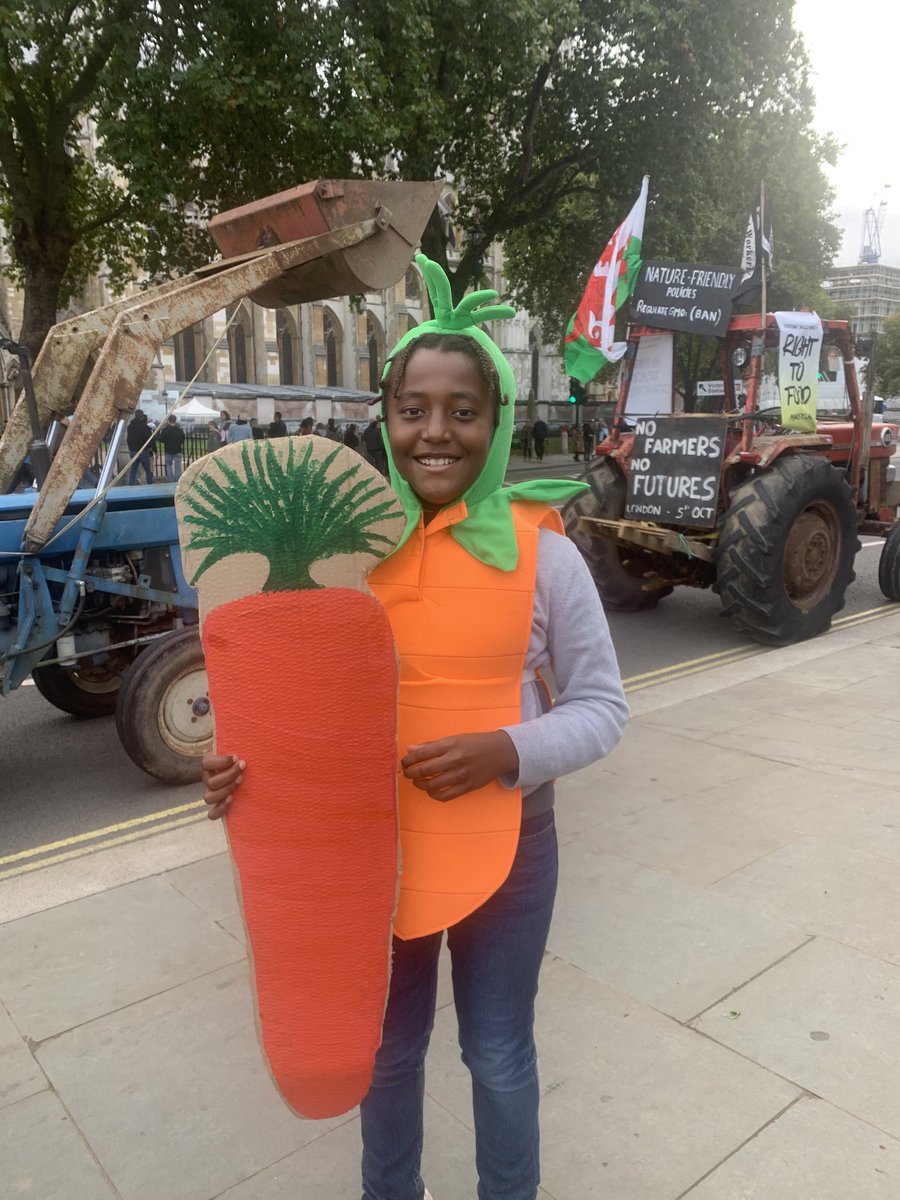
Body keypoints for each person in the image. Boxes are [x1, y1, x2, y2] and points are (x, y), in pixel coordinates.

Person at [200, 255, 628, 1200]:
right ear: (385, 421)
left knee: (499, 1054)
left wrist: (509, 749)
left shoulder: (543, 556)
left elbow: (604, 707)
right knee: (386, 1056)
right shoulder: (344, 563)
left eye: (463, 409)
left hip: (510, 850)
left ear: (498, 418)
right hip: (371, 858)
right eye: (413, 409)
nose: (436, 431)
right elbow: (292, 705)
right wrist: (241, 773)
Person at [126, 410, 154, 485]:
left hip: (133, 450)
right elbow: (148, 439)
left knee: (134, 469)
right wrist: (151, 447)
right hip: (143, 450)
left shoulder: (130, 427)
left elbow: (129, 438)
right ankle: (149, 483)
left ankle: (131, 483)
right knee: (147, 469)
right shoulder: (145, 427)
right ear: (142, 417)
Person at [157, 414, 186, 481]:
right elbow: (182, 440)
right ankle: (177, 480)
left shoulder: (165, 430)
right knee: (177, 466)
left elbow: (161, 439)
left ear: (168, 421)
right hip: (177, 450)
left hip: (168, 450)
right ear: (175, 421)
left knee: (168, 465)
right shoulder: (179, 430)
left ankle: (170, 479)